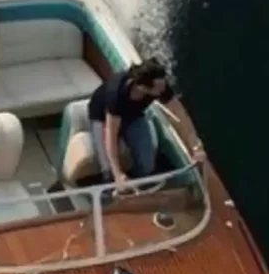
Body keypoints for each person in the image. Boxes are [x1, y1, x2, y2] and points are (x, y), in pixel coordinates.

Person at [87, 58, 205, 188]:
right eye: (159, 88)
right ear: (143, 87)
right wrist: (117, 173)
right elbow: (111, 134)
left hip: (133, 116)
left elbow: (179, 113)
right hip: (103, 117)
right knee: (108, 171)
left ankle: (135, 182)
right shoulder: (116, 94)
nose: (163, 90)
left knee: (147, 165)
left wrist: (195, 147)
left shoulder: (161, 86)